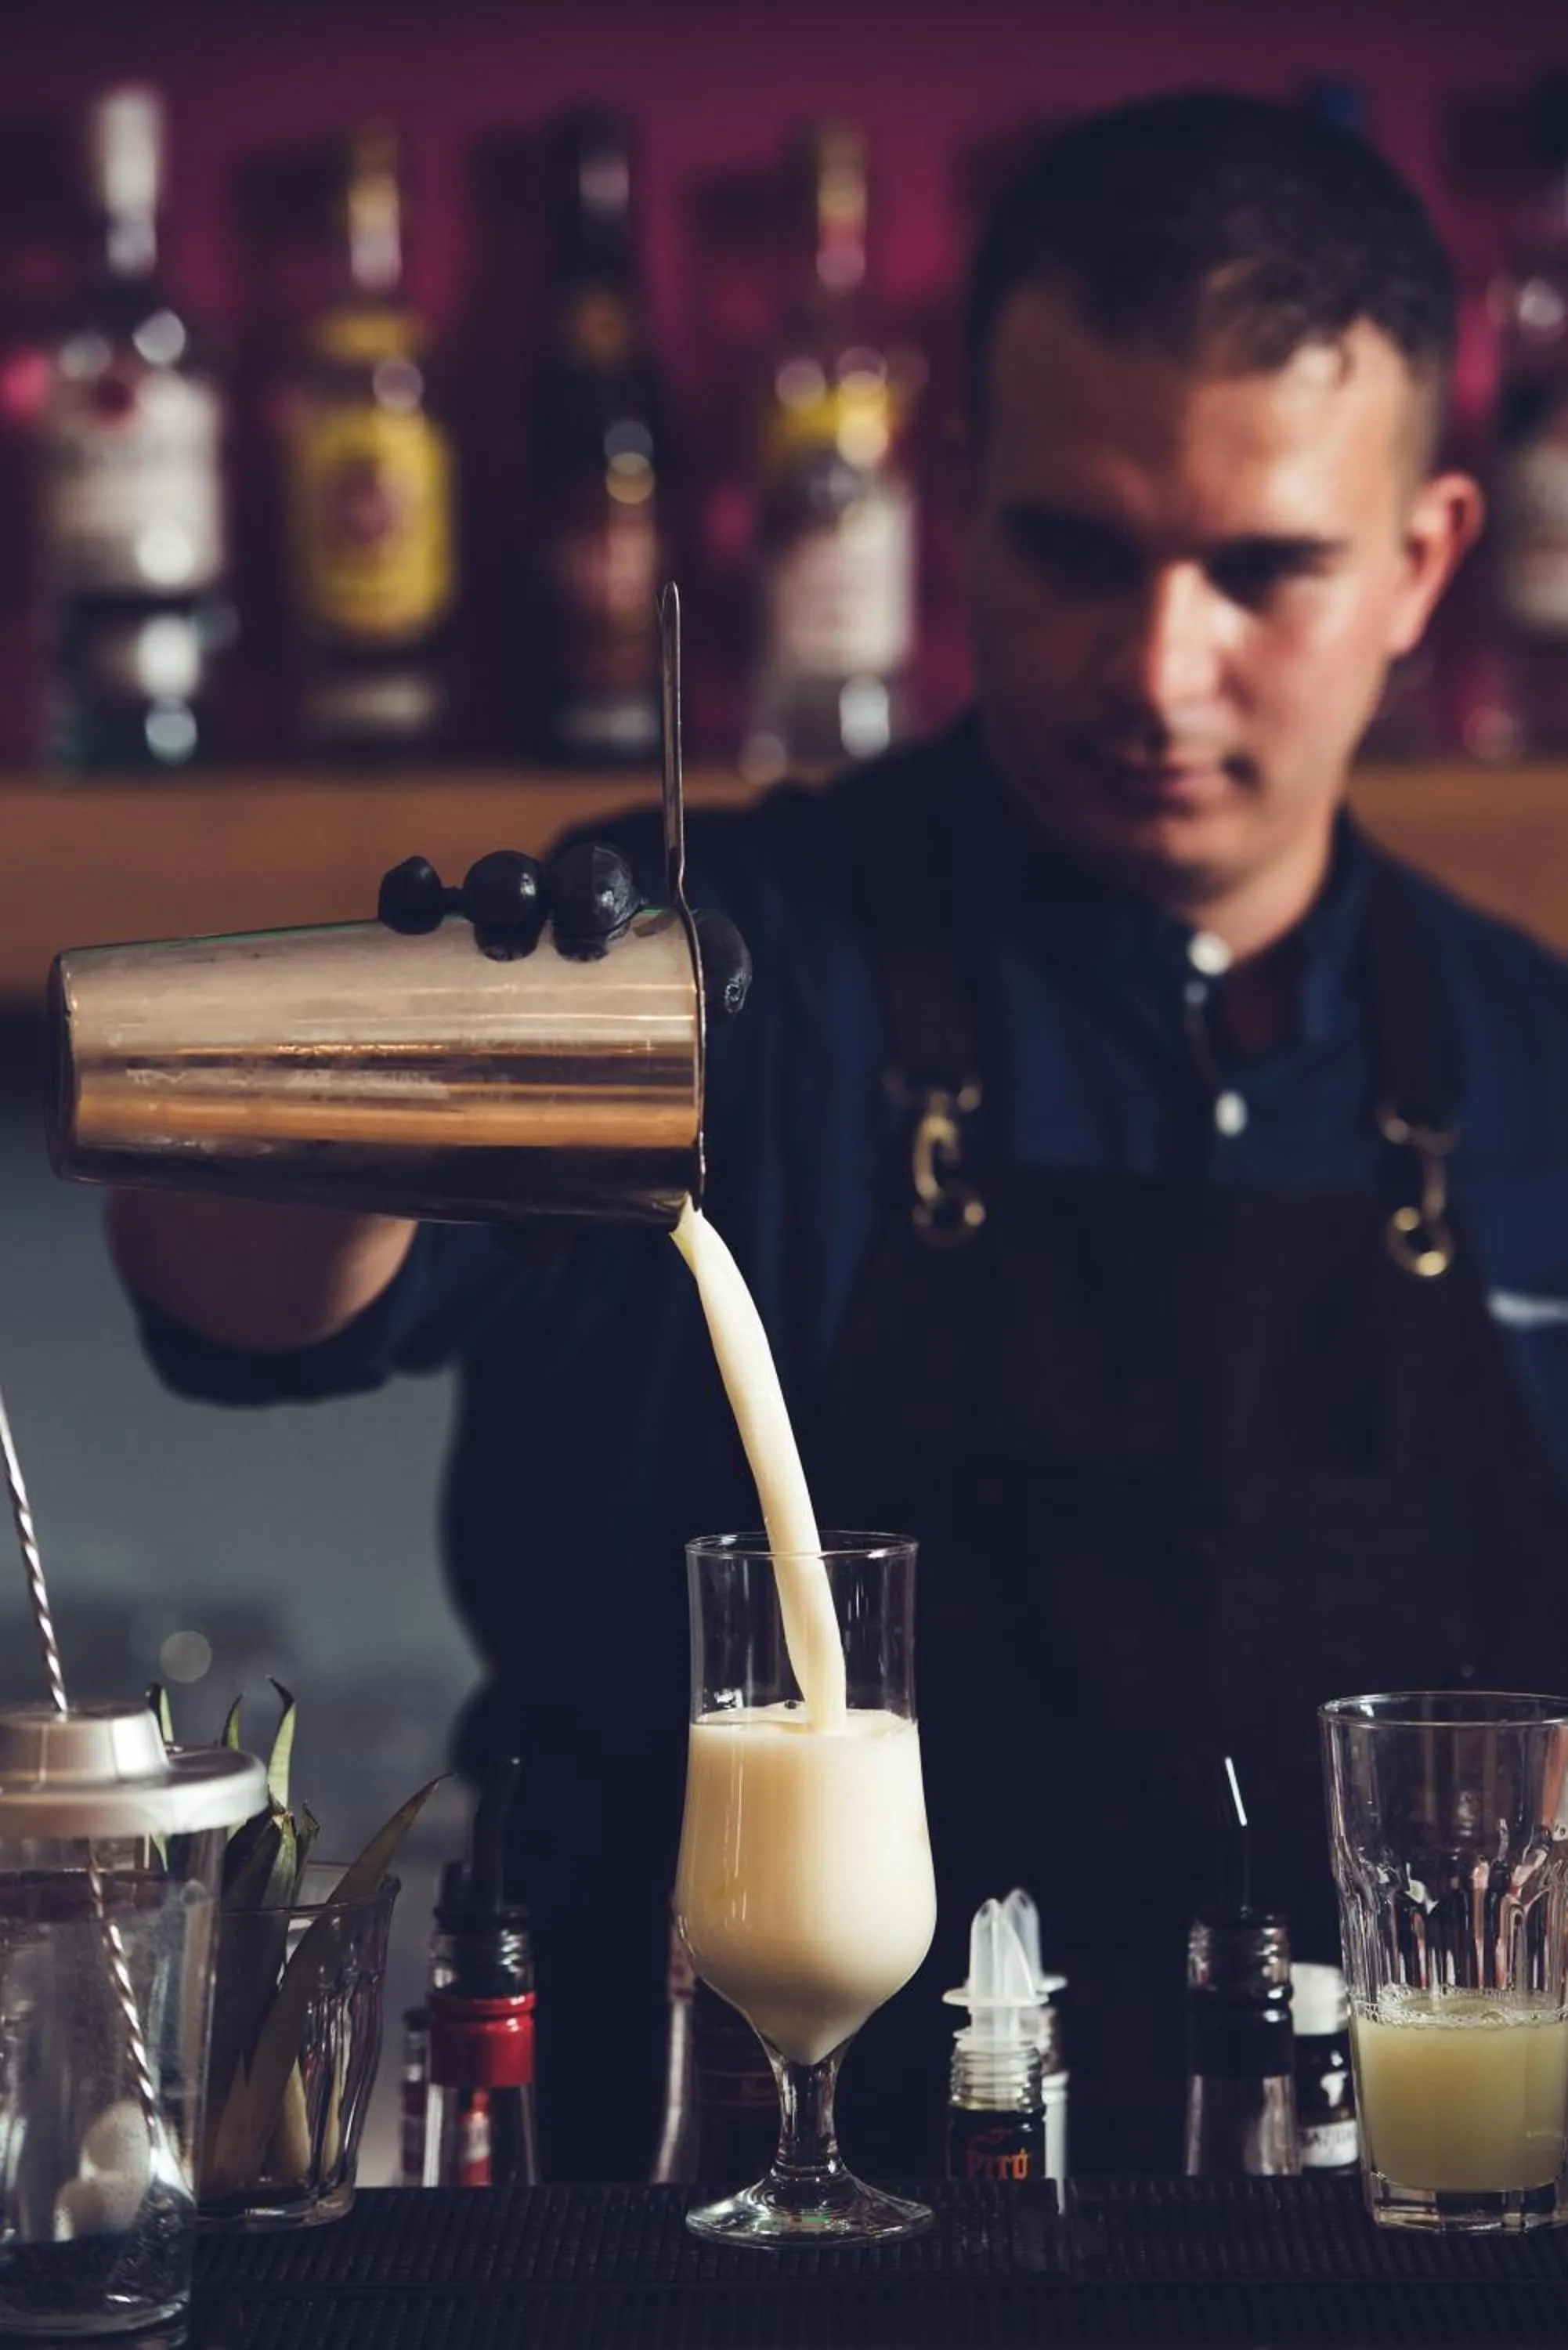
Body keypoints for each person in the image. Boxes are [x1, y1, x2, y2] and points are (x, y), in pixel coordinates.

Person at [107, 90, 1568, 2178]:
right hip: (688, 2219)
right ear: (955, 498)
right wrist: (378, 1075)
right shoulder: (704, 968)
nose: (1164, 669)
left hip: (1373, 2232)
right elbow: (236, 1296)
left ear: (1426, 560)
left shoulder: (1530, 1062)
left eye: (1266, 571)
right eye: (1081, 550)